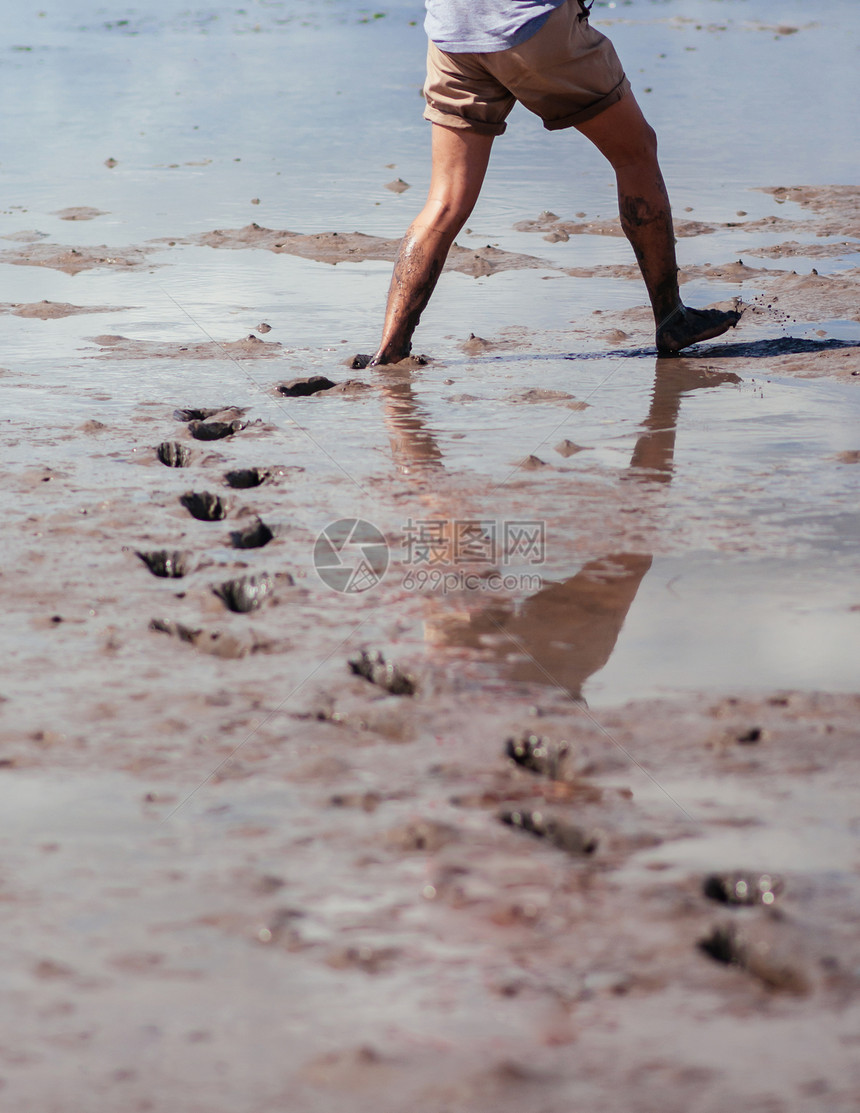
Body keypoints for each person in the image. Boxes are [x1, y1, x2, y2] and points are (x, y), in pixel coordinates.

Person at [365, 0, 740, 366]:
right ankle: (672, 318)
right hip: (529, 22)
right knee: (635, 153)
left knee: (444, 202)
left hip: (452, 32)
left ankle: (391, 348)